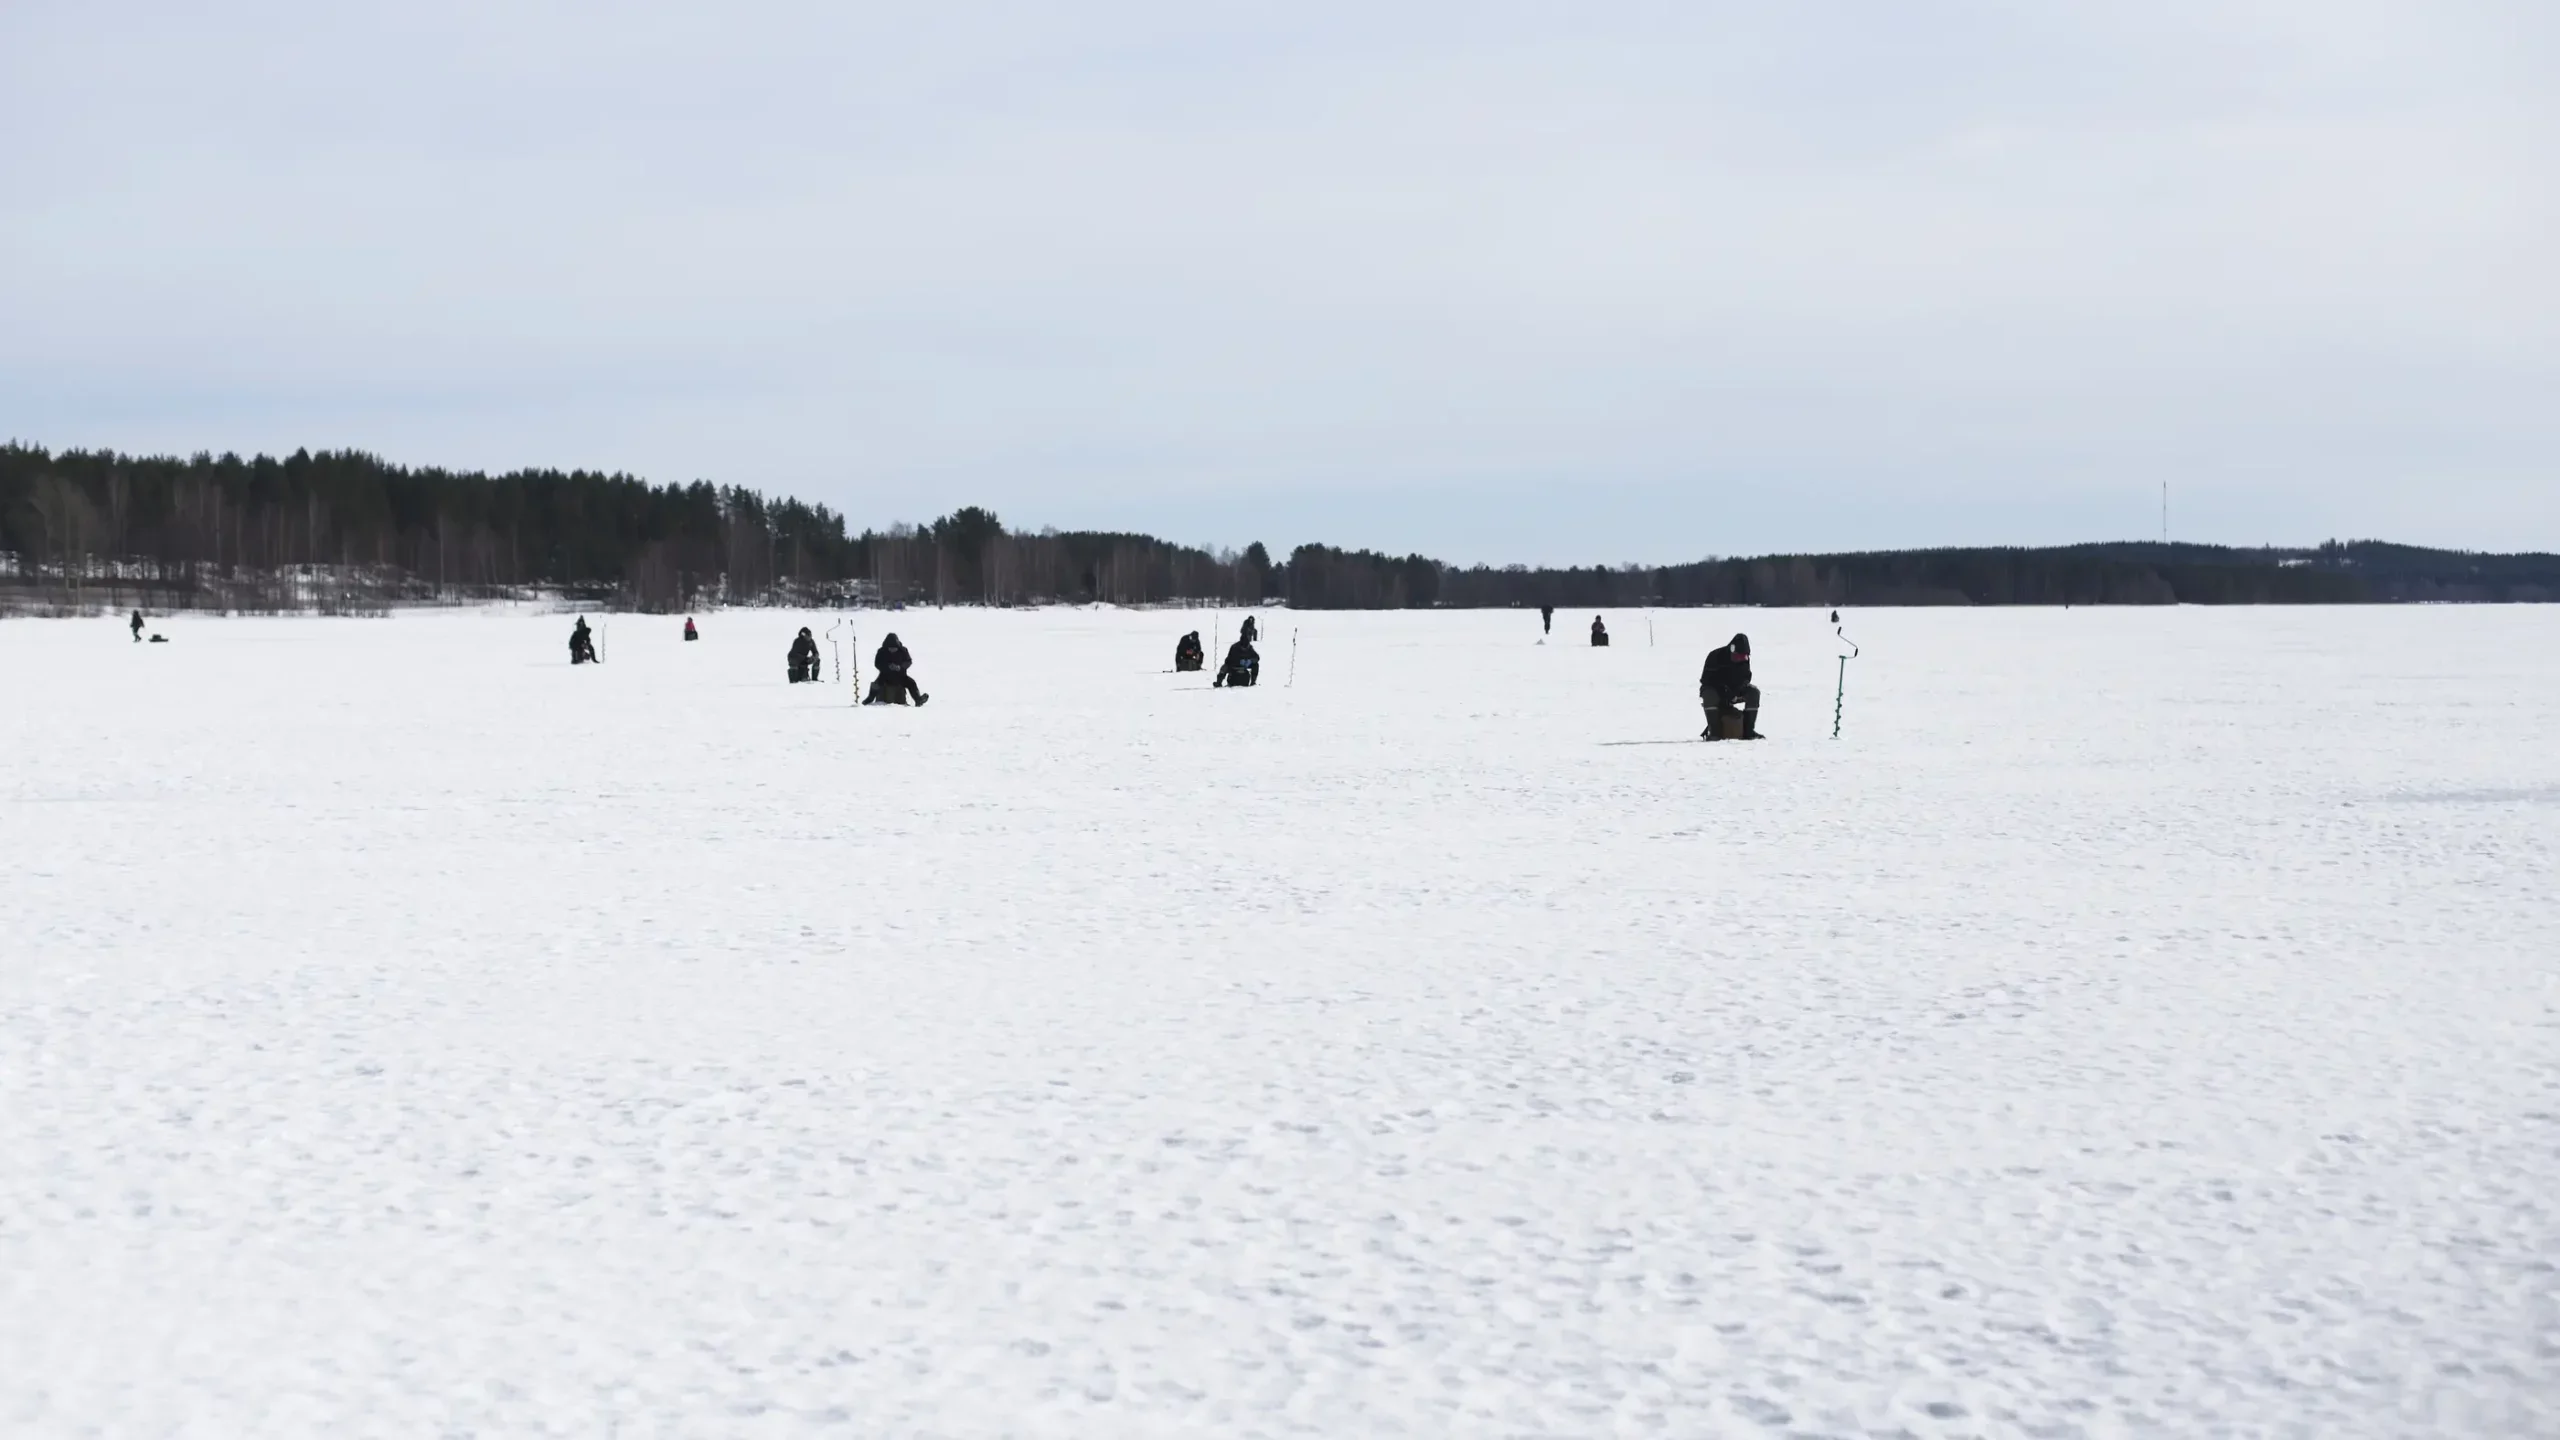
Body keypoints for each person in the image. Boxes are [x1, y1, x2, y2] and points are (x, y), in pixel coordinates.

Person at [1700, 632, 1761, 739]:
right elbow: (1706, 680)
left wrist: (1738, 690)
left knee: (1754, 693)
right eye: (1738, 656)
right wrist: (1725, 692)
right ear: (1731, 650)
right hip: (1715, 690)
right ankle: (1714, 732)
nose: (1741, 659)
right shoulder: (1715, 656)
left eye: (1744, 657)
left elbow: (1746, 677)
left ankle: (1748, 731)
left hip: (1735, 691)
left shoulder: (1744, 660)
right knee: (1709, 694)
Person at [866, 632, 929, 705]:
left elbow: (908, 661)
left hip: (901, 676)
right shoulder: (881, 651)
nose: (892, 650)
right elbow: (877, 663)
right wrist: (887, 667)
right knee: (876, 684)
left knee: (912, 683)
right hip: (885, 676)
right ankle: (869, 699)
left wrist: (900, 667)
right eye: (890, 648)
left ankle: (918, 700)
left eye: (894, 648)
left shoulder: (903, 650)